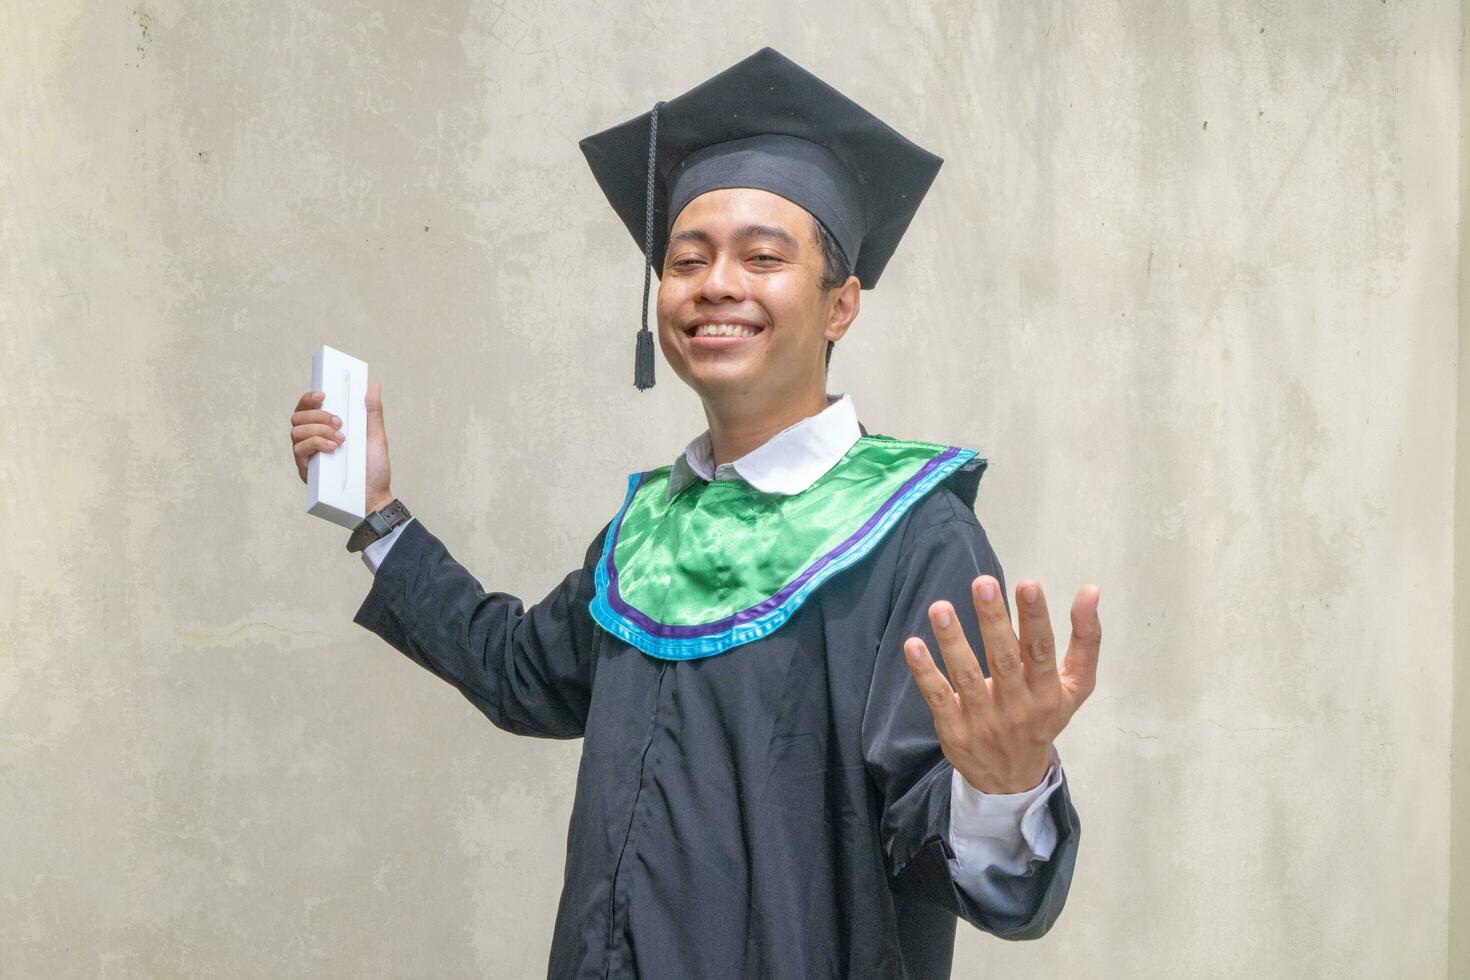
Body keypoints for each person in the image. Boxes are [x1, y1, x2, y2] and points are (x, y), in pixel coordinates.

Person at [288, 47, 1101, 980]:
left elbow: (944, 854)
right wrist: (375, 513)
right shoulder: (648, 530)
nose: (717, 284)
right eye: (687, 259)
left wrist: (1003, 788)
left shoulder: (911, 535)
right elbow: (520, 672)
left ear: (840, 306)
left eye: (763, 257)